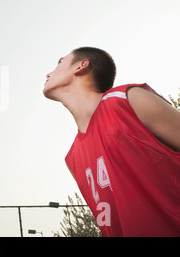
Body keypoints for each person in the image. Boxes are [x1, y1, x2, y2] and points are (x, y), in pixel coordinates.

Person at [43, 46, 180, 236]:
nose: (48, 73)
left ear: (81, 66)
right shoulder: (72, 158)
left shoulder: (127, 100)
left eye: (60, 62)